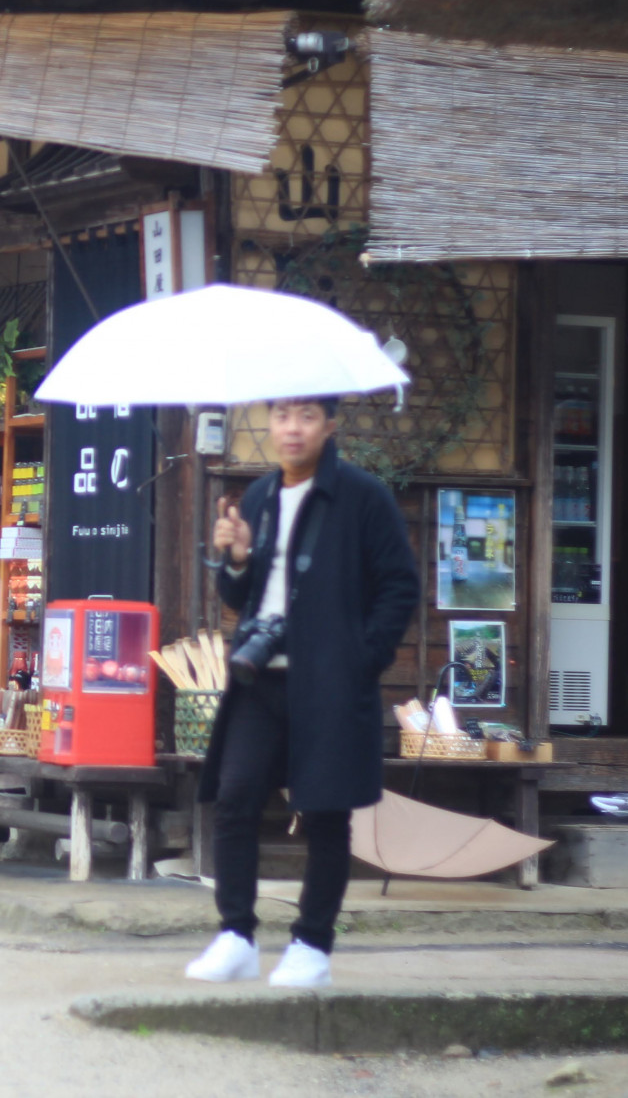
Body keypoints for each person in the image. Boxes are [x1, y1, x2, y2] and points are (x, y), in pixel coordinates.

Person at [187, 396, 419, 988]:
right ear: (271, 423)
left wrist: (361, 661)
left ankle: (312, 947)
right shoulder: (261, 497)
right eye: (284, 415)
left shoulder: (362, 496)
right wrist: (235, 558)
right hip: (260, 679)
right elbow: (242, 599)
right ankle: (236, 934)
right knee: (235, 798)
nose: (293, 429)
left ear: (331, 426)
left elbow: (399, 587)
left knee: (323, 813)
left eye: (308, 416)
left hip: (330, 683)